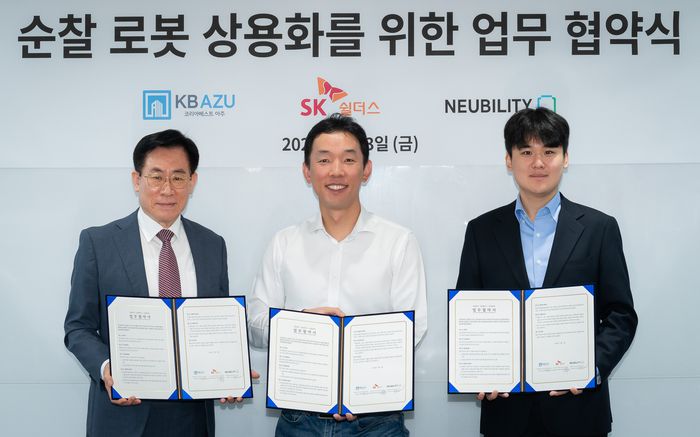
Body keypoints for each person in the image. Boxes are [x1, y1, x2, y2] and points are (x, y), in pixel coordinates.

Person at [456, 107, 638, 437]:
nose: (538, 163)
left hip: (580, 412)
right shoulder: (481, 231)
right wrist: (478, 373)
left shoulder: (599, 228)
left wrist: (591, 368)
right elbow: (468, 317)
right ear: (509, 160)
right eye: (526, 152)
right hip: (506, 414)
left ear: (565, 158)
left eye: (549, 152)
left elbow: (621, 315)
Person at [248, 113, 427, 436]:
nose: (336, 171)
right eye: (324, 160)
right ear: (307, 171)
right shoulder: (283, 243)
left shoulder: (398, 242)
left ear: (366, 169)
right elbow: (255, 325)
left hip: (376, 421)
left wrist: (358, 388)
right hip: (299, 420)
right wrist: (300, 323)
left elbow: (411, 328)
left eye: (348, 159)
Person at [64, 129, 251, 437]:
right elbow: (78, 327)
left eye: (178, 177)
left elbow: (216, 327)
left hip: (192, 418)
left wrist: (230, 372)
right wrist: (107, 367)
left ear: (192, 181)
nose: (167, 189)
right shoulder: (99, 242)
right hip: (122, 414)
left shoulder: (212, 245)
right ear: (137, 180)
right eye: (156, 177)